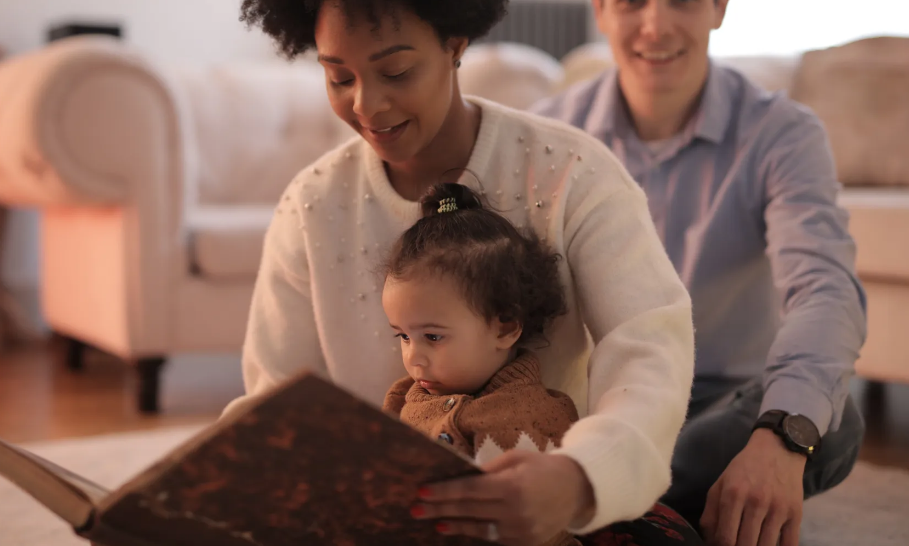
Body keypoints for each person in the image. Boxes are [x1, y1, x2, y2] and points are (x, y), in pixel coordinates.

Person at [225, 0, 698, 544]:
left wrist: (579, 478)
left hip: (553, 507)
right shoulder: (311, 203)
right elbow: (276, 404)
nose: (367, 104)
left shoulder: (573, 172)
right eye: (338, 77)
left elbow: (649, 346)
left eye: (396, 72)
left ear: (455, 46)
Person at [532, 1, 868, 546]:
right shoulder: (549, 134)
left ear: (719, 8)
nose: (656, 25)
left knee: (827, 420)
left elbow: (824, 290)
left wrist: (779, 439)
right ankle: (637, 513)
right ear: (599, 9)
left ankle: (591, 507)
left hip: (717, 410)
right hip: (593, 405)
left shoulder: (783, 133)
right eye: (632, 2)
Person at [381, 182, 580, 546]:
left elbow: (555, 522)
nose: (413, 357)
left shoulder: (543, 414)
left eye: (433, 337)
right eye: (403, 337)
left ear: (504, 328)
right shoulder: (401, 401)